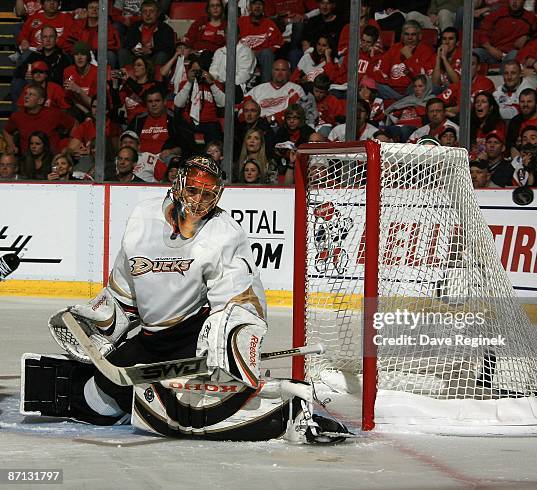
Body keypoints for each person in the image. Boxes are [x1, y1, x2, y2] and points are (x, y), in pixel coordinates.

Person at [24, 155, 349, 442]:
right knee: (97, 403)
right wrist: (105, 322)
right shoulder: (142, 218)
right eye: (192, 191)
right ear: (178, 186)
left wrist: (233, 341)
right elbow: (125, 287)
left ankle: (291, 414)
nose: (198, 202)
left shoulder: (224, 233)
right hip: (152, 339)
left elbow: (242, 299)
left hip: (194, 340)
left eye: (207, 195)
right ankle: (125, 400)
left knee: (179, 411)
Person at [3, 83, 75, 156]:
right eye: (26, 94)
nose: (26, 97)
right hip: (27, 160)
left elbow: (74, 124)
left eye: (31, 94)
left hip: (50, 159)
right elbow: (7, 131)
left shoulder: (53, 114)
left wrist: (70, 147)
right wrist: (11, 145)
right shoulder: (17, 116)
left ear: (40, 101)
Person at [374, 20, 436, 100]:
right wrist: (389, 82)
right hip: (391, 90)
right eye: (406, 34)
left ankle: (401, 101)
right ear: (402, 36)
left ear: (420, 36)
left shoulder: (425, 51)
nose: (410, 38)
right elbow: (378, 70)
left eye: (413, 34)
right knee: (373, 84)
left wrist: (409, 58)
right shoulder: (395, 48)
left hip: (412, 90)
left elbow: (424, 79)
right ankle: (400, 101)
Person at [474, 0, 537, 64]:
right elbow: (482, 33)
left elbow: (536, 40)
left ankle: (505, 73)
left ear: (524, 1)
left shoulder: (531, 18)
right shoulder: (497, 13)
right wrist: (490, 49)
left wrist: (527, 38)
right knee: (475, 53)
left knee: (514, 54)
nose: (514, 2)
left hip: (513, 54)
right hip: (493, 52)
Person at [244, 60, 305, 124]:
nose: (280, 73)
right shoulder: (258, 89)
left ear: (289, 72)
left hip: (282, 125)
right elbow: (243, 107)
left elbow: (296, 112)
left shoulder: (296, 89)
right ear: (272, 72)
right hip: (258, 124)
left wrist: (274, 118)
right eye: (277, 70)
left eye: (283, 70)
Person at [238, 0, 285, 83]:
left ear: (263, 8)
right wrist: (248, 53)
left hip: (262, 56)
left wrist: (259, 52)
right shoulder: (240, 22)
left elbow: (278, 44)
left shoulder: (270, 24)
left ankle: (265, 88)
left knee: (267, 53)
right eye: (254, 4)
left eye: (260, 4)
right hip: (242, 55)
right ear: (249, 7)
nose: (257, 6)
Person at [119, 0, 174, 67]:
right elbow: (127, 45)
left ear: (158, 13)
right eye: (145, 11)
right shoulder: (134, 27)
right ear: (141, 14)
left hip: (154, 59)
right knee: (122, 52)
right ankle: (127, 76)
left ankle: (156, 77)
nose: (148, 14)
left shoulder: (166, 29)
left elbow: (169, 49)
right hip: (136, 59)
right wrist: (133, 49)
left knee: (162, 55)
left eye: (151, 11)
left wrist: (151, 51)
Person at [184, 0, 227, 71]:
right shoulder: (200, 22)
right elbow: (189, 38)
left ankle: (195, 74)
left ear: (222, 8)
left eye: (218, 5)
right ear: (208, 9)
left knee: (206, 55)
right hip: (196, 54)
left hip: (215, 56)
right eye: (212, 6)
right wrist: (189, 49)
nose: (215, 8)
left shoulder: (226, 26)